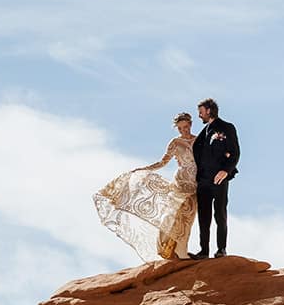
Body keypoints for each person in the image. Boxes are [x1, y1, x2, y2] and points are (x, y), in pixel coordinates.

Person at [92, 114, 199, 263]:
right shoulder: (175, 143)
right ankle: (170, 249)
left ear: (191, 124)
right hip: (181, 182)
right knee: (173, 215)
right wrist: (144, 169)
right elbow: (163, 162)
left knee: (188, 217)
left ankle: (181, 250)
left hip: (196, 183)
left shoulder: (200, 140)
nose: (183, 131)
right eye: (180, 128)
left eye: (186, 127)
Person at [189, 98, 239, 258]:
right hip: (203, 180)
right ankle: (204, 251)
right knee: (203, 216)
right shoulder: (203, 133)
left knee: (220, 214)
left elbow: (235, 152)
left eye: (201, 112)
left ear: (209, 111)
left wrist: (226, 170)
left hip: (219, 179)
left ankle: (221, 249)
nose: (199, 116)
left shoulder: (227, 128)